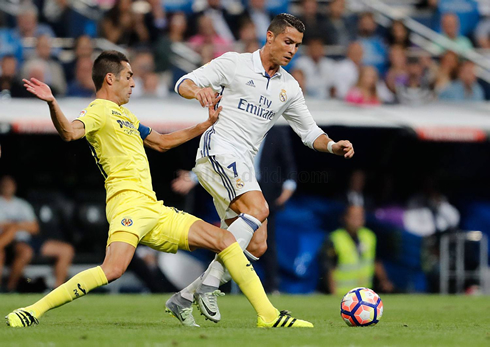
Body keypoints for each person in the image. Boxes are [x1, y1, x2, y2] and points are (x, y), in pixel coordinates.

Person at [5, 50, 312, 329]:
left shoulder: (126, 116)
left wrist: (206, 124)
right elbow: (70, 133)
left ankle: (268, 315)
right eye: (128, 77)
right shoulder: (98, 110)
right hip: (127, 206)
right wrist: (52, 103)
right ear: (110, 78)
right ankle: (33, 310)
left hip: (153, 207)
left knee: (225, 240)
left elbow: (162, 142)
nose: (133, 84)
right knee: (113, 269)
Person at [171, 13, 354, 324]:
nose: (292, 49)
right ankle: (211, 286)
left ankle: (186, 296)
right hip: (218, 149)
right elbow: (183, 83)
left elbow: (309, 133)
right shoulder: (235, 63)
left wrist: (333, 145)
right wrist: (198, 92)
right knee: (259, 208)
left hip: (241, 164)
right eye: (287, 41)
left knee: (257, 244)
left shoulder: (289, 87)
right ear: (269, 37)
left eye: (297, 45)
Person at [0, 176, 75, 292]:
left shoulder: (22, 204)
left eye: (10, 185)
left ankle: (57, 289)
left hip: (30, 239)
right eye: (5, 185)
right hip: (12, 241)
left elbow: (35, 228)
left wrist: (15, 225)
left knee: (67, 250)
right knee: (25, 251)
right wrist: (19, 226)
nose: (8, 187)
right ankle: (10, 288)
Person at [322, 205, 394, 296]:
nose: (357, 220)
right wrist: (333, 293)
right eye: (353, 217)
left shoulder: (369, 236)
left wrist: (384, 281)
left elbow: (376, 261)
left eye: (360, 216)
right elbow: (329, 269)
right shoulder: (335, 238)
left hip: (365, 294)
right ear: (345, 218)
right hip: (343, 294)